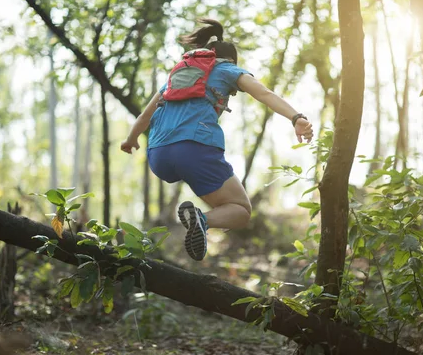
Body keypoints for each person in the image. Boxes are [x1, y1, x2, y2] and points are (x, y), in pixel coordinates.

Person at [121, 19, 313, 261]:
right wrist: (296, 117)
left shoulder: (177, 77)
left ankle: (199, 224)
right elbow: (264, 93)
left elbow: (145, 115)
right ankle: (201, 219)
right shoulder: (227, 69)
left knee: (222, 202)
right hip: (194, 150)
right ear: (230, 60)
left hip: (158, 155)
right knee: (241, 211)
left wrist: (130, 140)